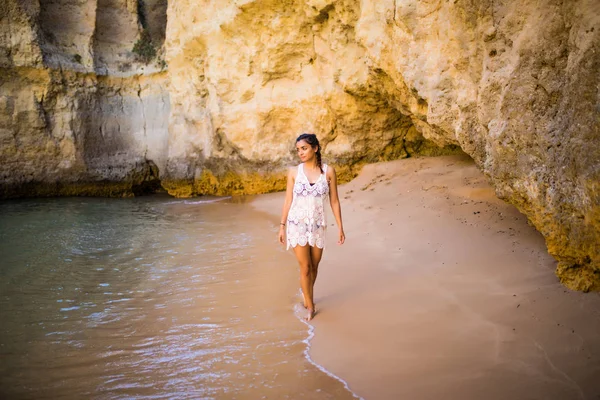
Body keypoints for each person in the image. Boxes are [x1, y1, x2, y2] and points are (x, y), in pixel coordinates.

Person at [278, 133, 345, 321]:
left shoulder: (328, 172)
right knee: (305, 267)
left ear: (315, 148)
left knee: (315, 266)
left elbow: (334, 201)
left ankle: (305, 292)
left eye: (304, 148)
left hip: (317, 226)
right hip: (296, 225)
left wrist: (340, 227)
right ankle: (310, 305)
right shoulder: (294, 172)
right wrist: (282, 226)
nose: (301, 152)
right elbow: (288, 200)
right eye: (298, 149)